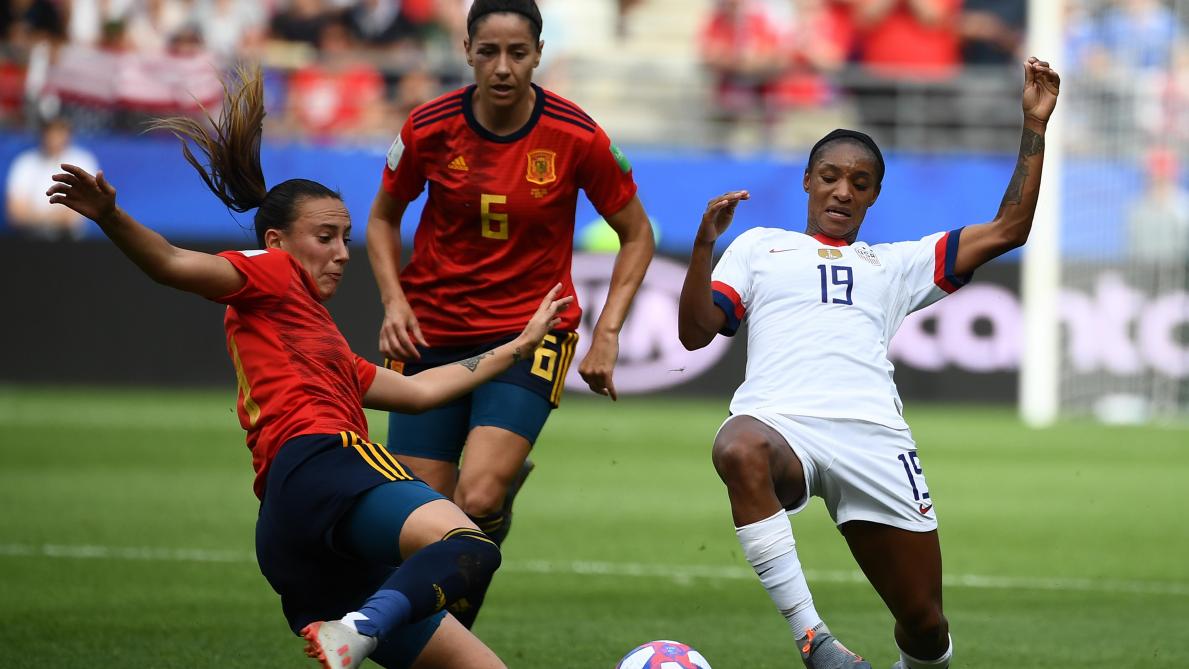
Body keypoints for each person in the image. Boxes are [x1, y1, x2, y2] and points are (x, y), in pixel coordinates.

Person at [46, 65, 572, 669]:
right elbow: (169, 262)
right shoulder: (266, 274)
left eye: (346, 238)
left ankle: (358, 628)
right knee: (471, 548)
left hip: (290, 529)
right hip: (325, 464)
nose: (341, 254)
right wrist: (112, 217)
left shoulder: (322, 343)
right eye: (325, 237)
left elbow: (422, 391)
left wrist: (518, 342)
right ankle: (366, 625)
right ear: (277, 241)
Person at [678, 57, 1059, 669]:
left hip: (874, 440)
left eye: (859, 182)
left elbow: (1011, 227)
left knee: (925, 624)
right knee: (736, 446)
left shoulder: (898, 263)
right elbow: (696, 334)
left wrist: (1034, 124)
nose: (842, 191)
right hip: (783, 427)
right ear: (807, 180)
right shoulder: (757, 248)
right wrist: (704, 246)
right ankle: (815, 641)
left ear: (875, 194)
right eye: (830, 176)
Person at [366, 0, 655, 628]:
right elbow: (383, 218)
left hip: (531, 333)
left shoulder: (578, 135)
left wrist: (606, 334)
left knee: (478, 495)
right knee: (424, 519)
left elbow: (638, 234)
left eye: (517, 53)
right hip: (431, 335)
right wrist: (394, 299)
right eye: (489, 52)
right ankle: (443, 635)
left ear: (539, 55)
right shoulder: (428, 126)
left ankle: (450, 632)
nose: (502, 67)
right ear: (467, 50)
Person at [6, 116, 98, 240]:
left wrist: (38, 219)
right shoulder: (25, 162)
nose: (54, 137)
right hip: (27, 239)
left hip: (68, 241)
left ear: (68, 134)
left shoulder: (82, 161)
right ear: (42, 133)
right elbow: (16, 214)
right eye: (50, 131)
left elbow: (74, 216)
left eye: (59, 131)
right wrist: (49, 220)